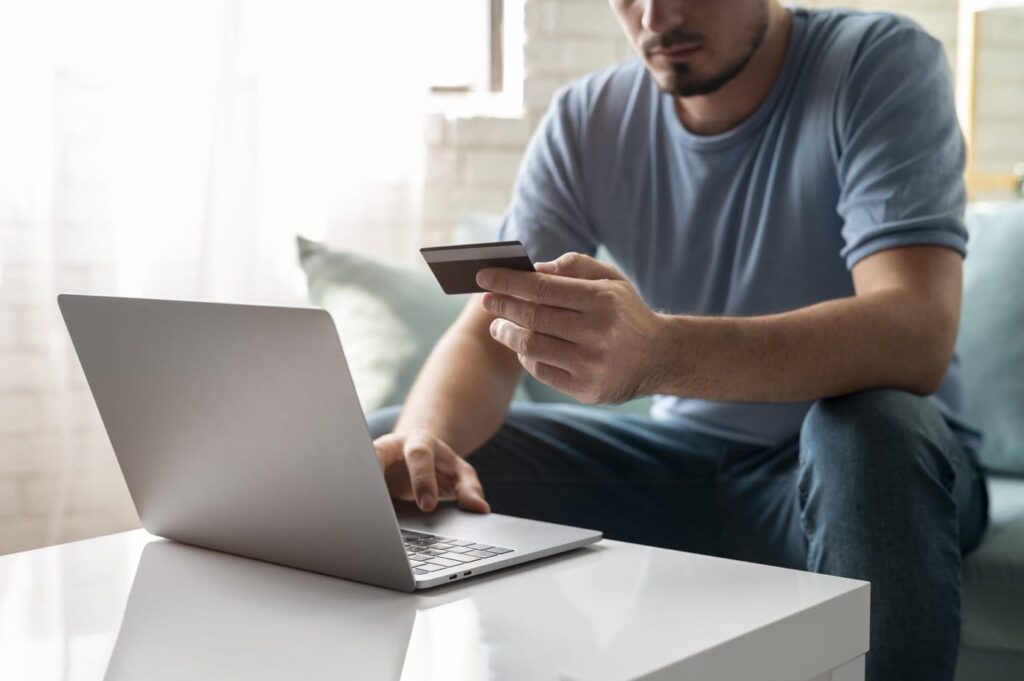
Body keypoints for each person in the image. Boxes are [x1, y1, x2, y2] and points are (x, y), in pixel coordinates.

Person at [368, 1, 989, 679]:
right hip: (685, 467)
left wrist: (658, 352)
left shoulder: (875, 63)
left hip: (880, 471)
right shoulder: (589, 117)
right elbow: (489, 333)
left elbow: (916, 332)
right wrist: (429, 433)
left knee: (867, 429)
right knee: (390, 458)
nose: (658, 15)